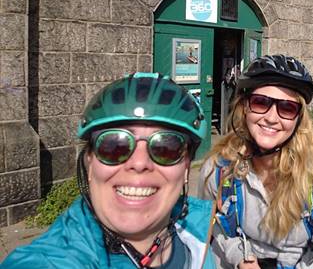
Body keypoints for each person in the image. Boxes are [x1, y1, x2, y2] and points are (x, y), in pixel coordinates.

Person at [1, 73, 216, 269]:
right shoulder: (53, 260)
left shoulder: (202, 233)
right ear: (90, 163)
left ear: (186, 167)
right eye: (115, 145)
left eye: (166, 147)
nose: (139, 163)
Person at [197, 55, 313, 269]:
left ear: (299, 118)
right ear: (244, 107)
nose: (272, 118)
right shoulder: (219, 167)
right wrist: (239, 256)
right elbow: (212, 220)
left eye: (287, 108)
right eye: (260, 102)